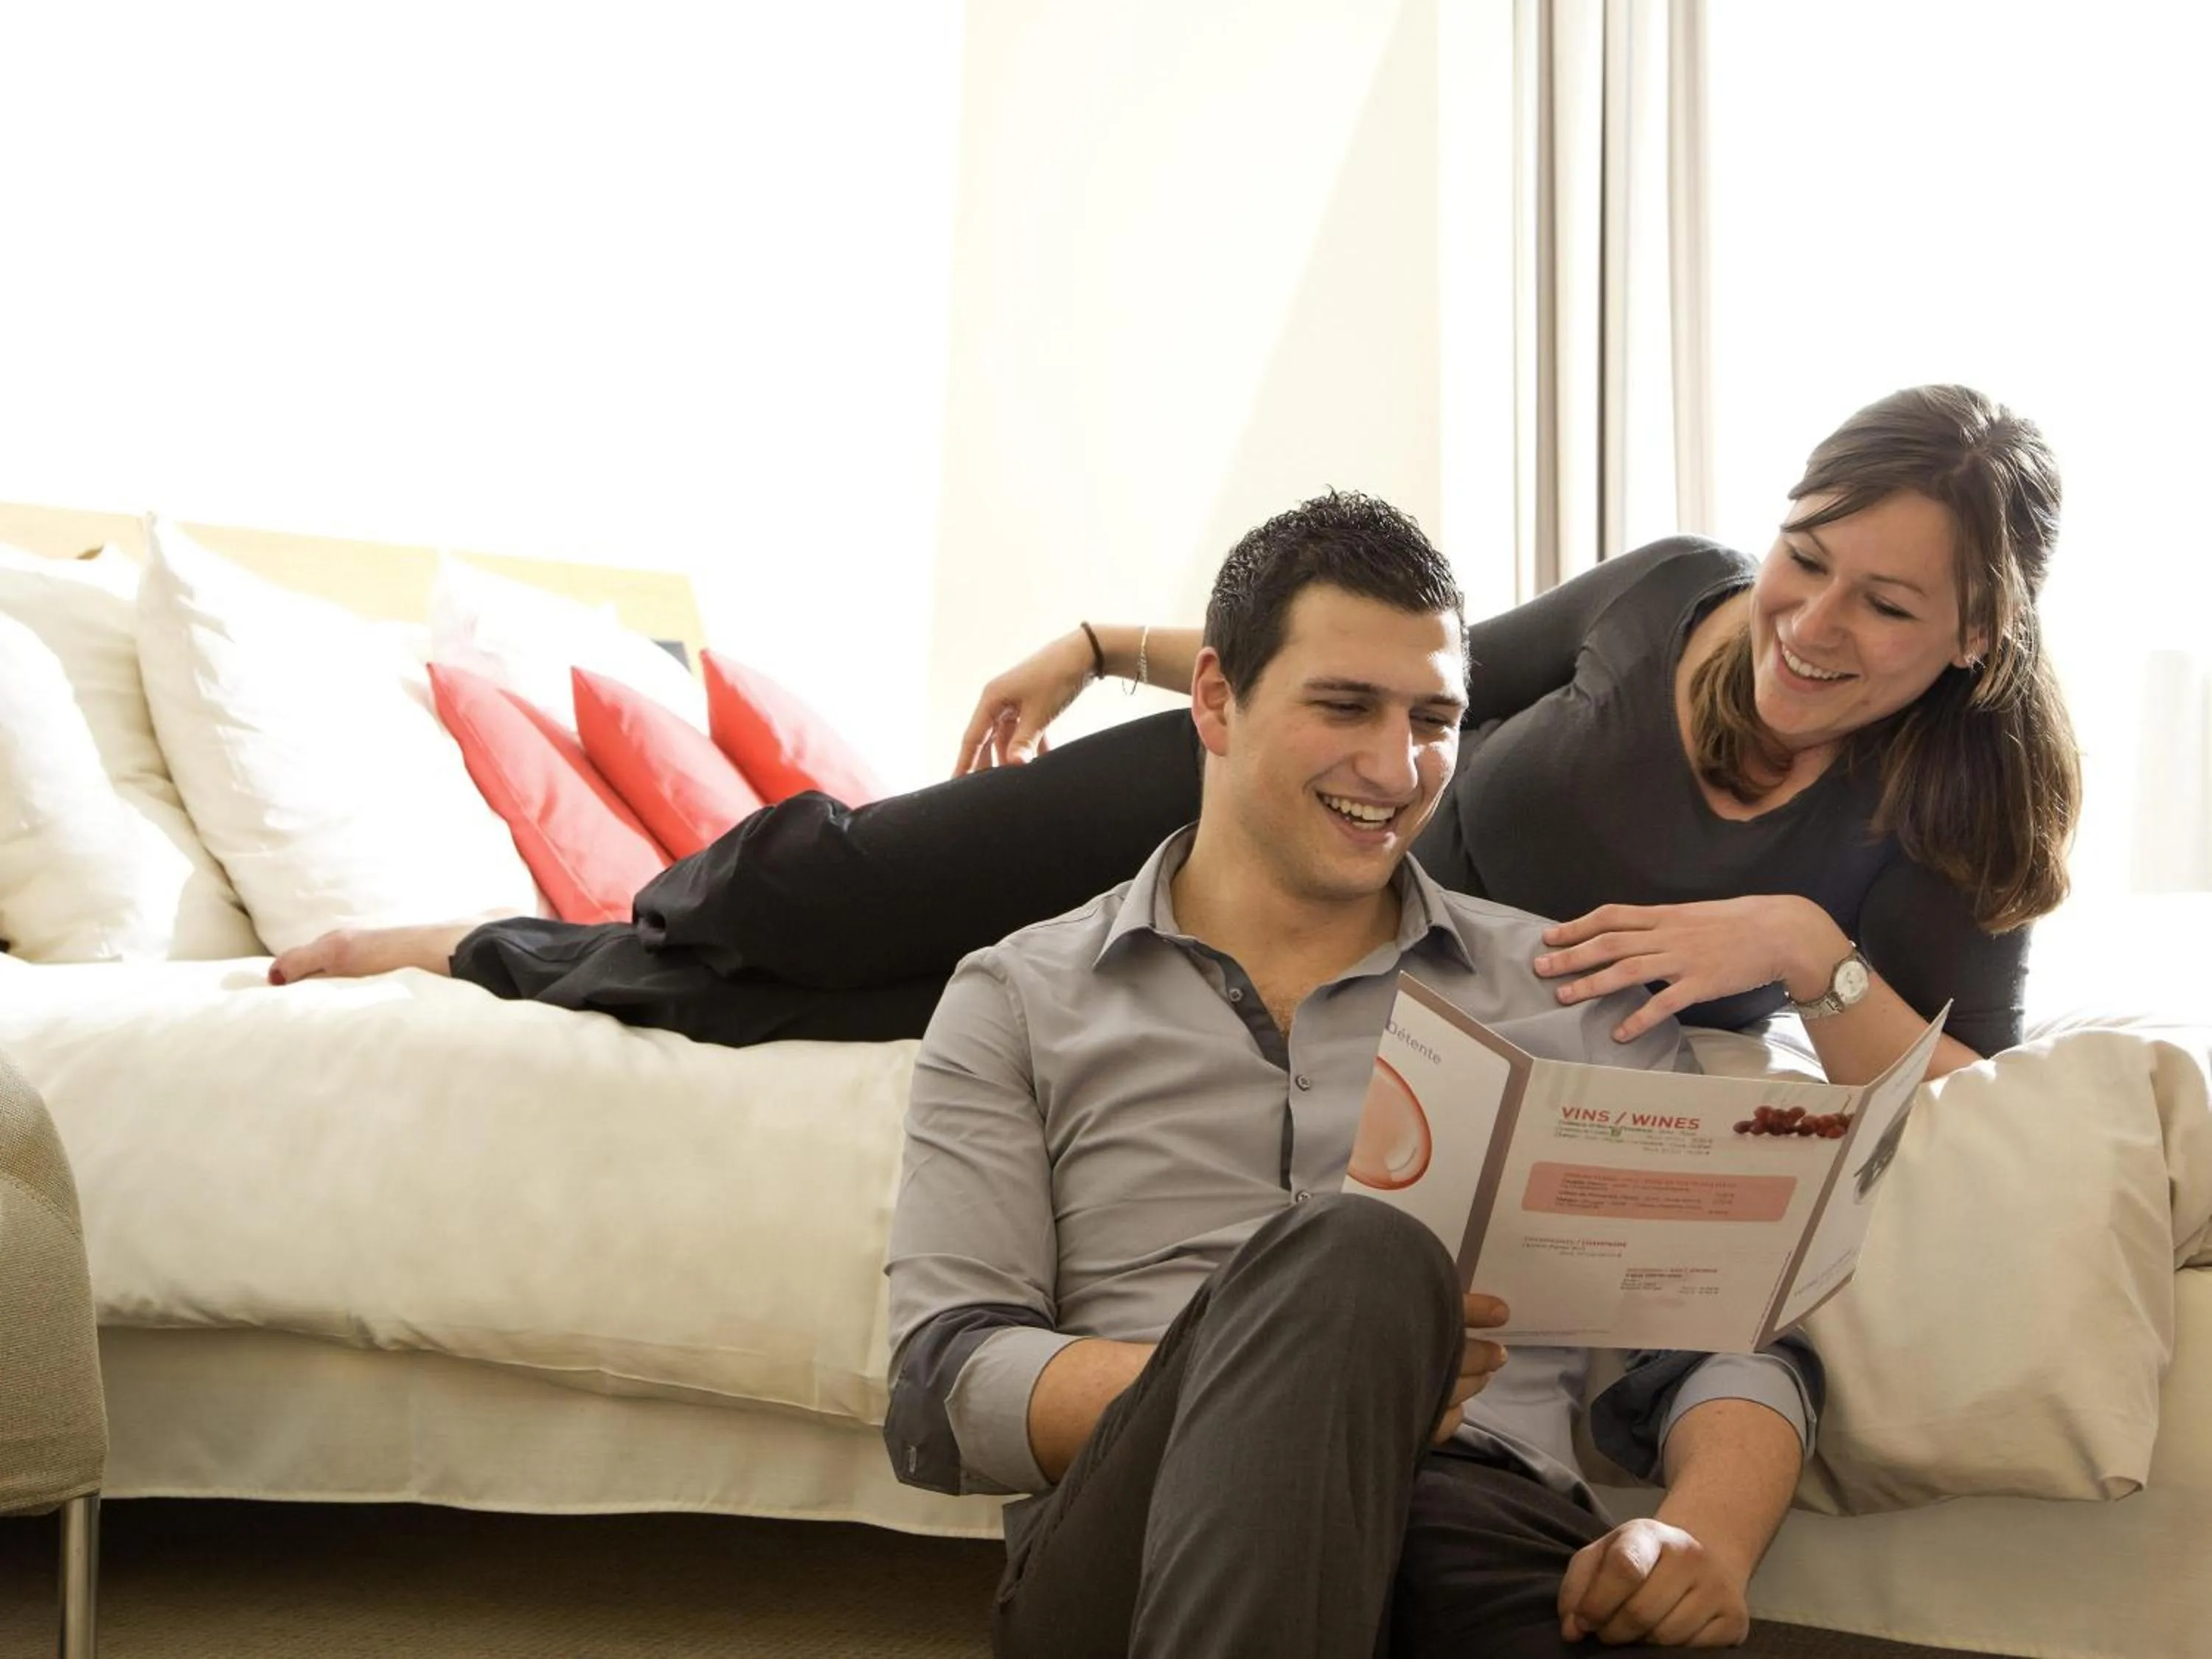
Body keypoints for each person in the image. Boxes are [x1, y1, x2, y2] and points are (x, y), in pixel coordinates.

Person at [272, 385, 2078, 1086]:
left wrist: (1805, 950)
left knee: (880, 1012)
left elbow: (1966, 1100)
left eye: (1885, 607)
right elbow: (1390, 664)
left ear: (1977, 637)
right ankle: (499, 931)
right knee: (838, 887)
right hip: (1257, 800)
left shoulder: (1959, 822)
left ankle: (507, 957)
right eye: (1806, 557)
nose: (1809, 624)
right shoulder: (1674, 594)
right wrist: (1106, 647)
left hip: (1356, 969)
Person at [885, 493, 1818, 1656]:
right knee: (1358, 1258)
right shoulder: (1017, 996)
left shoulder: (1576, 991)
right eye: (1345, 706)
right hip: (1141, 1531)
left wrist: (1702, 1536)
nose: (1396, 765)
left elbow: (1728, 1332)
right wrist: (1292, 1366)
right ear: (1215, 698)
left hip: (1478, 1524)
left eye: (1435, 718)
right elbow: (943, 1385)